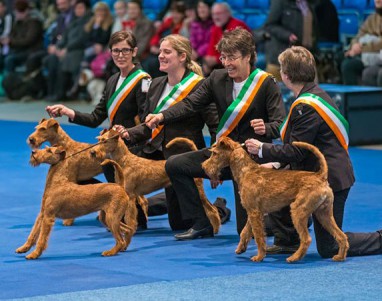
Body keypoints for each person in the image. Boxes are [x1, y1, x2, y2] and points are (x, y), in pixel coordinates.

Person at [244, 46, 382, 258]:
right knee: (276, 192)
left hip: (329, 180)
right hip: (312, 177)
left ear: (286, 75)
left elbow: (297, 151)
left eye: (281, 69)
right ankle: (290, 239)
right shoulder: (311, 95)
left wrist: (263, 150)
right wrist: (277, 165)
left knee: (330, 247)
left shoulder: (305, 106)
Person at [145, 28, 286, 240]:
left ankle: (290, 219)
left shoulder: (266, 83)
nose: (227, 63)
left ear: (248, 56)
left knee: (244, 231)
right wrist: (162, 116)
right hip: (222, 155)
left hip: (251, 161)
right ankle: (202, 222)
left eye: (232, 57)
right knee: (175, 164)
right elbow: (191, 103)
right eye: (224, 57)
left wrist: (266, 127)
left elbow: (280, 124)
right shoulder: (217, 78)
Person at [113, 34, 230, 230]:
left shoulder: (200, 85)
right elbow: (147, 124)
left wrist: (216, 163)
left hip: (181, 154)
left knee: (179, 223)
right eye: (160, 51)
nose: (160, 56)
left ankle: (218, 208)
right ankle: (136, 216)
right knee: (112, 161)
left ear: (182, 56)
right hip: (153, 152)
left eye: (167, 52)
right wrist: (127, 133)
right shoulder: (156, 83)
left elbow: (215, 126)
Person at [45, 30, 159, 228]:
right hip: (114, 149)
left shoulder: (143, 80)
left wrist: (127, 134)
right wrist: (67, 111)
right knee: (78, 168)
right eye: (116, 51)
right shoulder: (112, 80)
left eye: (125, 50)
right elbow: (96, 118)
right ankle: (112, 202)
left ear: (134, 51)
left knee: (135, 220)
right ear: (110, 52)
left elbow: (147, 124)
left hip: (135, 148)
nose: (120, 55)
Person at [340, 0, 382, 85]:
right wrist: (354, 46)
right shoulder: (372, 18)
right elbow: (359, 34)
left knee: (372, 72)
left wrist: (362, 49)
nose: (377, 0)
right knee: (347, 64)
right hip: (366, 54)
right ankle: (352, 97)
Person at [261, 0, 317, 81]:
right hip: (280, 56)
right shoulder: (280, 2)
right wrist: (287, 35)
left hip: (304, 57)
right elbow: (270, 25)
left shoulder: (309, 3)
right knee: (276, 90)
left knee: (308, 90)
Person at [202, 2, 250, 76]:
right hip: (222, 62)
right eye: (213, 14)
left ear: (228, 13)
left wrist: (216, 59)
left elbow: (237, 53)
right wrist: (207, 63)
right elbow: (211, 50)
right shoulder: (215, 28)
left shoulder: (238, 26)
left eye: (219, 13)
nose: (216, 17)